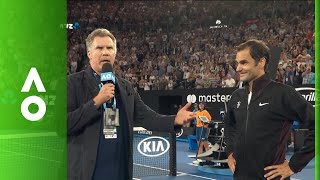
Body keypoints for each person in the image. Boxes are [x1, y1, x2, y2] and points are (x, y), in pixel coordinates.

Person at [67, 28, 195, 180]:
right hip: (86, 173)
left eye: (110, 48)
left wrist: (174, 120)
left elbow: (148, 118)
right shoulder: (73, 83)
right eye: (99, 48)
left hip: (120, 171)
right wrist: (96, 101)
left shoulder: (125, 87)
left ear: (115, 53)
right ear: (89, 54)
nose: (105, 52)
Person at [224, 39, 314, 180]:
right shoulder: (237, 96)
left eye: (244, 62)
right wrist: (229, 152)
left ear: (261, 62)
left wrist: (293, 165)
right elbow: (229, 125)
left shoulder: (283, 94)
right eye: (237, 63)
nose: (238, 68)